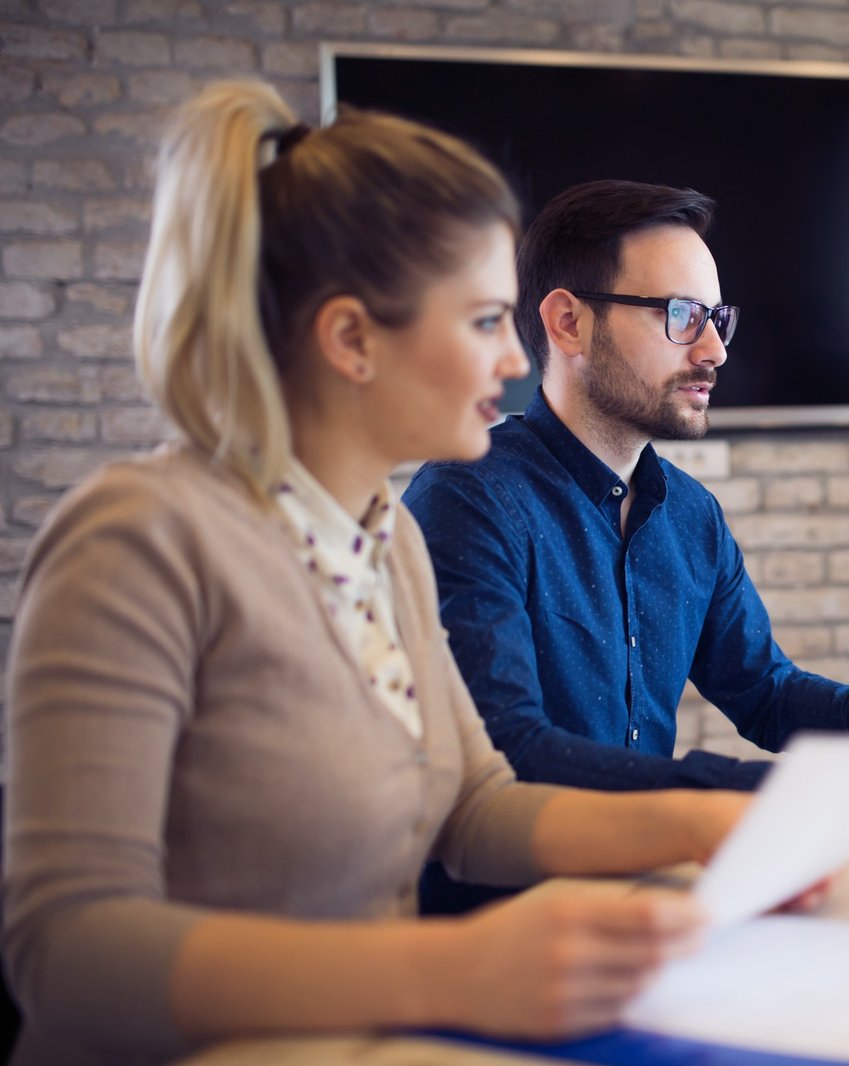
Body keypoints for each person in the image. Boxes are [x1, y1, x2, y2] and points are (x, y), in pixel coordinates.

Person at [0, 85, 763, 1066]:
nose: (513, 357)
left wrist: (710, 821)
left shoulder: (381, 537)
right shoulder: (139, 539)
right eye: (486, 320)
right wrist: (447, 970)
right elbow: (67, 953)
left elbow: (473, 805)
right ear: (353, 338)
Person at [403, 179, 849, 908]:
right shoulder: (468, 495)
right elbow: (511, 751)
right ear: (568, 323)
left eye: (716, 319)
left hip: (651, 893)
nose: (714, 351)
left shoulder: (689, 515)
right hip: (499, 927)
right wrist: (796, 795)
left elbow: (765, 691)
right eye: (681, 316)